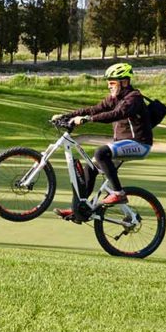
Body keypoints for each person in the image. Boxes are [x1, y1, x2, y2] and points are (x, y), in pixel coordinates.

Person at [51, 63, 152, 221]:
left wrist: (87, 120)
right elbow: (93, 109)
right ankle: (80, 210)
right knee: (90, 169)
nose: (109, 86)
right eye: (108, 83)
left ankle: (119, 194)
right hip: (122, 145)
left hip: (139, 144)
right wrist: (66, 116)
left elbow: (116, 114)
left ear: (124, 82)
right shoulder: (115, 98)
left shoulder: (134, 98)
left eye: (112, 83)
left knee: (101, 153)